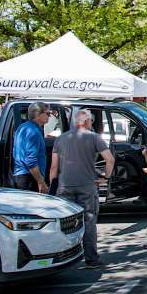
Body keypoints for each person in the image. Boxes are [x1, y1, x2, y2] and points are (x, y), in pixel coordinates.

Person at [49, 110, 114, 268]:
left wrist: (53, 187)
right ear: (86, 122)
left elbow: (54, 167)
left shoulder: (60, 139)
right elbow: (110, 159)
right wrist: (105, 178)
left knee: (64, 223)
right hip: (87, 185)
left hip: (65, 186)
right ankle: (91, 258)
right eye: (91, 121)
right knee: (89, 222)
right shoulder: (94, 138)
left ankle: (61, 258)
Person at [13, 102, 50, 193]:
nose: (49, 116)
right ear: (38, 115)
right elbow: (31, 161)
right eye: (48, 113)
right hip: (29, 177)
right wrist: (41, 182)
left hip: (20, 174)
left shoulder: (23, 127)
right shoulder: (33, 131)